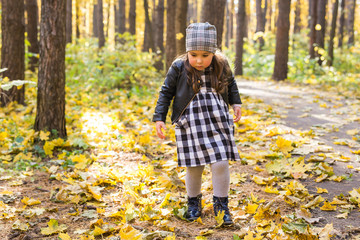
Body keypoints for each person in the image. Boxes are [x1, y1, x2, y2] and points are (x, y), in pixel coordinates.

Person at [153, 22, 242, 225]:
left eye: (205, 55)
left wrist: (236, 103)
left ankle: (221, 205)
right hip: (190, 122)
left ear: (213, 51)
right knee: (194, 166)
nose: (199, 60)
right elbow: (165, 92)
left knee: (220, 162)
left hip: (217, 120)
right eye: (194, 55)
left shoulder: (221, 64)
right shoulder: (178, 67)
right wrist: (159, 117)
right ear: (187, 51)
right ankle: (193, 203)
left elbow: (231, 83)